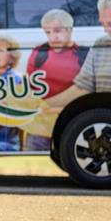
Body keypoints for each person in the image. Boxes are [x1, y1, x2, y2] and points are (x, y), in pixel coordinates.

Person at [24, 9, 88, 150]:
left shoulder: (84, 55)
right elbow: (29, 90)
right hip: (41, 127)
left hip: (71, 124)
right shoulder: (38, 53)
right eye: (48, 32)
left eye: (58, 31)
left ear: (70, 30)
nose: (53, 37)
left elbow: (88, 92)